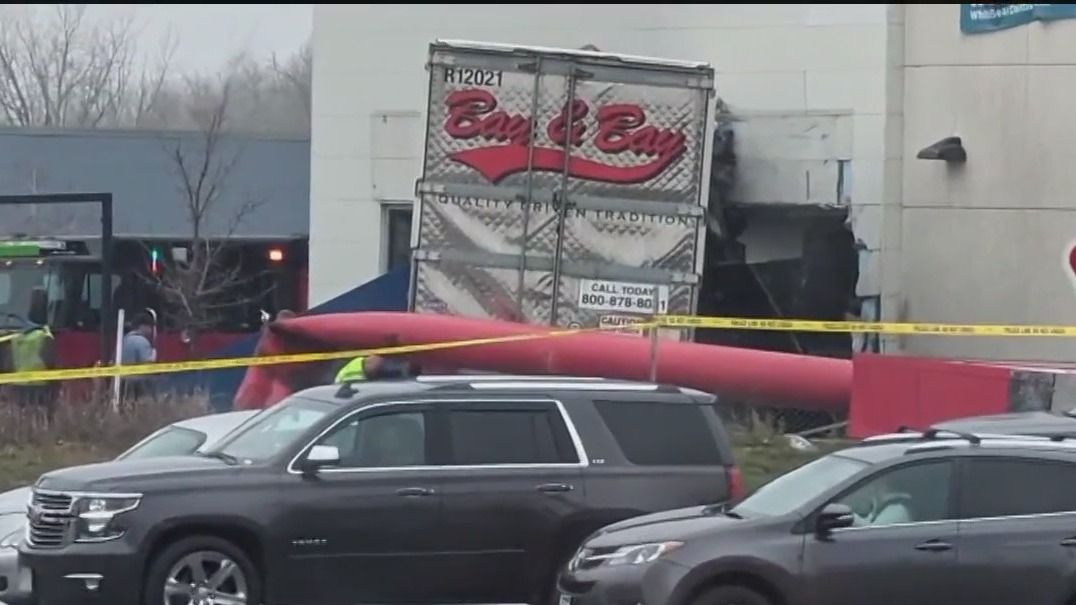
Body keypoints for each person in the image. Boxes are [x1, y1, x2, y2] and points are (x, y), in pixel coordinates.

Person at [120, 312, 157, 400]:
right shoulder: (142, 342)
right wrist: (153, 354)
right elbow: (148, 366)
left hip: (122, 382)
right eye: (150, 327)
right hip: (136, 385)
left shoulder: (125, 339)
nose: (151, 330)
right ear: (143, 326)